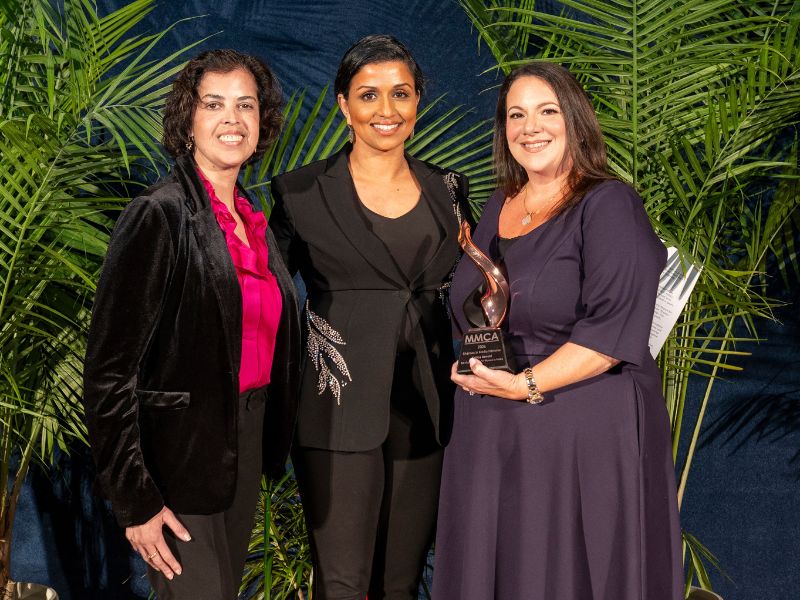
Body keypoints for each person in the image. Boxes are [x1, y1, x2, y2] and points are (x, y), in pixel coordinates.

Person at [432, 62, 683, 599]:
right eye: (515, 115)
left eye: (547, 111)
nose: (531, 128)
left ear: (575, 119)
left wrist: (524, 384)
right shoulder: (499, 204)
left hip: (578, 431)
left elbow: (611, 333)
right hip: (492, 429)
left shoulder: (609, 203)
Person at [82, 49, 300, 600]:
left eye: (246, 105)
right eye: (214, 104)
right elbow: (109, 372)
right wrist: (135, 500)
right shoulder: (160, 213)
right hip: (177, 460)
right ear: (188, 121)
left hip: (242, 445)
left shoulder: (252, 218)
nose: (233, 119)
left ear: (262, 122)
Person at [269, 34, 470, 600]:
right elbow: (267, 298)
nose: (387, 110)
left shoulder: (449, 189)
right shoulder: (301, 191)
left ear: (418, 101)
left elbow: (478, 285)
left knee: (400, 586)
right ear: (343, 104)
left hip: (426, 411)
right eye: (368, 94)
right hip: (335, 408)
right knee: (341, 585)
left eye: (401, 93)